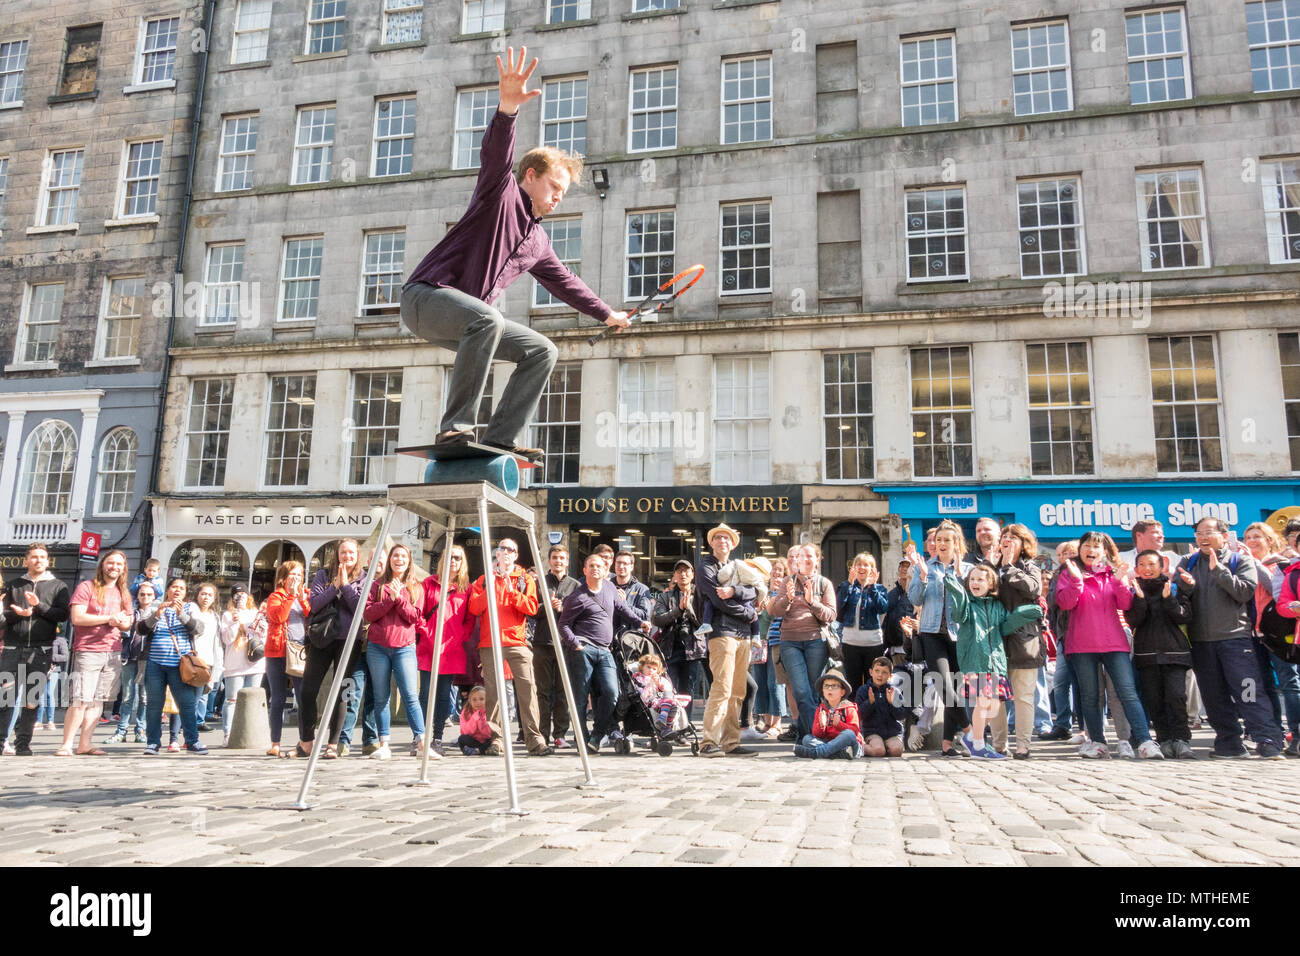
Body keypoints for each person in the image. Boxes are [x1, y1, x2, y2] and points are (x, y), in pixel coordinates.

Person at [399, 45, 629, 464]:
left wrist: (607, 314)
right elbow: (496, 153)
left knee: (542, 349)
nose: (560, 198)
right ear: (530, 176)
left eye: (564, 192)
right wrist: (507, 108)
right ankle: (456, 427)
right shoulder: (499, 194)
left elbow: (566, 283)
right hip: (424, 299)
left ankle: (500, 437)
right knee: (488, 317)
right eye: (555, 187)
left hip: (467, 323)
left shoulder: (537, 241)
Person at [1178, 516, 1284, 759]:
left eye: (1208, 532)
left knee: (1249, 692)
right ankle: (1229, 742)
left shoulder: (1241, 560)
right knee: (1214, 697)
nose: (1203, 537)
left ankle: (1267, 739)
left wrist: (1220, 571)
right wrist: (1185, 587)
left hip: (1235, 640)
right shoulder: (1188, 562)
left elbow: (1244, 592)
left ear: (1224, 536)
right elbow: (1179, 600)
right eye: (1199, 533)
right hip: (1202, 642)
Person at [1055, 532, 1163, 759]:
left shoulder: (1113, 573)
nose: (1091, 550)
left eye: (1096, 546)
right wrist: (1076, 581)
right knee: (1090, 696)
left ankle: (1144, 740)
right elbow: (1065, 603)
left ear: (1104, 551)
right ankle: (1097, 741)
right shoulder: (1069, 573)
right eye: (1086, 545)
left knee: (1128, 692)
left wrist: (1119, 582)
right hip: (1082, 644)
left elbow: (1125, 604)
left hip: (1114, 643)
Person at [944, 563, 1043, 760]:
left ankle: (972, 737)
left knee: (995, 705)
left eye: (980, 579)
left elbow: (1005, 628)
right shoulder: (968, 605)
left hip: (996, 662)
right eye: (972, 579)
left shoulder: (998, 606)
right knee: (983, 702)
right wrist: (957, 593)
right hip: (974, 662)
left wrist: (1020, 617)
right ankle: (978, 745)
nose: (975, 582)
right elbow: (959, 614)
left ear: (991, 584)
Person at [468, 537, 552, 756]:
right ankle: (497, 740)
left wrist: (511, 590)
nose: (504, 552)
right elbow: (474, 608)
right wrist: (493, 586)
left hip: (517, 642)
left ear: (515, 555)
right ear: (496, 554)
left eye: (509, 549)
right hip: (490, 642)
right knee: (494, 695)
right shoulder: (484, 578)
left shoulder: (524, 579)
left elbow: (532, 608)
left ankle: (534, 740)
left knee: (528, 692)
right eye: (501, 548)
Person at [559, 551, 648, 753]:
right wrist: (576, 644)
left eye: (599, 566)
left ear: (605, 569)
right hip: (584, 650)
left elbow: (623, 609)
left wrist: (639, 622)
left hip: (605, 650)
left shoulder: (609, 587)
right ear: (585, 570)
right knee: (580, 698)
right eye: (591, 566)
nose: (595, 569)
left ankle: (598, 735)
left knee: (612, 692)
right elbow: (563, 625)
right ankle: (582, 739)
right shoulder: (577, 595)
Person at [905, 521, 973, 756]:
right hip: (932, 633)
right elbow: (914, 599)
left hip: (959, 634)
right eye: (938, 540)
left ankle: (947, 744)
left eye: (947, 540)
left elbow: (973, 601)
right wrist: (922, 577)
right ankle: (971, 731)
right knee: (944, 686)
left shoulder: (967, 569)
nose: (941, 544)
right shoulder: (924, 567)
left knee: (955, 687)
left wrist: (959, 577)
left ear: (957, 544)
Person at [697, 523, 764, 756]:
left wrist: (735, 591)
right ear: (712, 542)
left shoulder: (740, 567)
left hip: (743, 634)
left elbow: (755, 591)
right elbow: (716, 599)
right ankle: (708, 742)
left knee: (737, 691)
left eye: (727, 538)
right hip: (722, 632)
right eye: (718, 538)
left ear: (733, 544)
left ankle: (731, 742)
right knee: (722, 688)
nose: (722, 541)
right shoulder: (706, 565)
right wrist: (748, 612)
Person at [58, 550, 132, 757]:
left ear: (123, 568)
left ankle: (85, 744)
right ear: (102, 565)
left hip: (113, 652)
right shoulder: (86, 587)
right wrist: (109, 618)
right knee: (81, 699)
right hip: (88, 651)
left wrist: (121, 622)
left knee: (98, 701)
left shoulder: (124, 593)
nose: (114, 567)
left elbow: (127, 623)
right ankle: (66, 744)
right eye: (111, 563)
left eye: (119, 564)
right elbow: (77, 618)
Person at [301, 539, 366, 759]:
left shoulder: (364, 578)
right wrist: (335, 586)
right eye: (343, 552)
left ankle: (332, 743)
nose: (347, 556)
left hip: (349, 640)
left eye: (351, 553)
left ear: (357, 555)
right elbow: (315, 603)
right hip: (322, 637)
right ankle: (306, 741)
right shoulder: (323, 574)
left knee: (342, 692)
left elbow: (360, 608)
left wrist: (346, 585)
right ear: (337, 555)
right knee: (308, 690)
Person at [1127, 549, 1195, 758]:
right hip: (1146, 655)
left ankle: (1182, 739)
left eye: (1152, 564)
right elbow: (1134, 621)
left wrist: (1168, 599)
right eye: (1142, 565)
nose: (1147, 569)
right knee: (1154, 699)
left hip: (1174, 653)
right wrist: (1139, 599)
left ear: (1161, 566)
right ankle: (1164, 739)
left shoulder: (1174, 588)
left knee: (1176, 697)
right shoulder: (1134, 590)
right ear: (1136, 568)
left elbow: (1184, 617)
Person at [363, 543, 427, 760]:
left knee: (410, 695)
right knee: (381, 697)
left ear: (409, 561)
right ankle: (384, 744)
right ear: (389, 560)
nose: (399, 559)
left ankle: (421, 742)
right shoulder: (377, 585)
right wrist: (390, 600)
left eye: (403, 556)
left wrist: (398, 598)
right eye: (395, 556)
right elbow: (369, 614)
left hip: (404, 648)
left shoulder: (416, 587)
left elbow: (414, 617)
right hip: (378, 647)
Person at [991, 524, 1047, 759]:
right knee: (995, 695)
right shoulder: (991, 566)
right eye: (1005, 537)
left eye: (1015, 538)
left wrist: (1009, 567)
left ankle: (1023, 744)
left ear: (1024, 544)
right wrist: (992, 565)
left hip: (1024, 640)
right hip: (994, 639)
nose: (1009, 541)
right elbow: (976, 589)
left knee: (1024, 695)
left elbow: (1033, 589)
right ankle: (998, 743)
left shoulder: (1030, 567)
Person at [1242, 521, 1297, 755]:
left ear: (1269, 540)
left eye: (1257, 537)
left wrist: (1256, 563)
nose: (1252, 541)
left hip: (1278, 632)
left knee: (1289, 681)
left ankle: (1296, 733)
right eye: (1248, 537)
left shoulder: (1280, 563)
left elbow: (1274, 589)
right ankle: (1272, 733)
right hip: (1252, 632)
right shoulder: (1241, 563)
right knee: (1263, 685)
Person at [416, 545, 475, 756]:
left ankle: (437, 738)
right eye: (449, 556)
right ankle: (420, 738)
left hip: (451, 648)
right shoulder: (428, 583)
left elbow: (469, 619)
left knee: (443, 696)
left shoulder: (466, 589)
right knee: (424, 694)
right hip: (428, 647)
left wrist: (461, 636)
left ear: (462, 562)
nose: (453, 561)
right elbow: (419, 613)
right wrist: (426, 632)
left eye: (457, 558)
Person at [141, 578, 206, 755]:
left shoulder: (190, 608)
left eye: (182, 588)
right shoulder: (156, 607)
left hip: (180, 665)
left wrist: (181, 615)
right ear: (167, 590)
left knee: (186, 703)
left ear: (185, 593)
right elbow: (141, 630)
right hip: (155, 663)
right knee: (154, 704)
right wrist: (156, 616)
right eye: (174, 587)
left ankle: (192, 741)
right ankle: (153, 743)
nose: (177, 590)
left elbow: (199, 629)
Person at [533, 544, 578, 749]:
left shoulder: (576, 586)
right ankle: (542, 734)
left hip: (564, 644)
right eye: (554, 558)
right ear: (549, 561)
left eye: (562, 558)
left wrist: (565, 608)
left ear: (567, 561)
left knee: (563, 691)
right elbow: (530, 610)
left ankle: (560, 734)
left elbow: (580, 614)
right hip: (542, 642)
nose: (558, 561)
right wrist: (547, 607)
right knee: (542, 692)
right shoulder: (539, 582)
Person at [264, 561, 310, 757]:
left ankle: (304, 740)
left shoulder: (305, 595)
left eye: (300, 575)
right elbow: (279, 617)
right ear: (283, 578)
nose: (297, 579)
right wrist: (290, 595)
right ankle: (275, 742)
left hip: (299, 651)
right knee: (278, 698)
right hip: (278, 650)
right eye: (293, 575)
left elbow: (311, 615)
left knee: (302, 698)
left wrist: (301, 597)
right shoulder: (276, 596)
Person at [652, 559, 707, 713]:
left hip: (693, 650)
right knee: (669, 689)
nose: (683, 574)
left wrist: (688, 608)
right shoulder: (665, 596)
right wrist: (678, 609)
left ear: (692, 574)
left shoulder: (701, 595)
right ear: (675, 575)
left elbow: (705, 622)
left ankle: (684, 726)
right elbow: (657, 619)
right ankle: (670, 725)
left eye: (686, 571)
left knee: (687, 691)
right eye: (679, 571)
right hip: (670, 649)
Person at [1042, 540, 1082, 743]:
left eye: (1068, 551)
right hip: (1063, 635)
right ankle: (1063, 724)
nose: (1065, 556)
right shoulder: (1058, 575)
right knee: (1061, 682)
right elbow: (1052, 602)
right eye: (1060, 554)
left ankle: (1088, 728)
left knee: (1086, 684)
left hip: (1084, 635)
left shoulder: (1085, 571)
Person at [106, 580, 156, 745]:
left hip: (147, 659)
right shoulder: (131, 612)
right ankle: (121, 730)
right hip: (129, 657)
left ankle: (140, 729)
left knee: (144, 698)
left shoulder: (156, 613)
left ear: (154, 596)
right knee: (127, 697)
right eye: (142, 594)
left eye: (149, 594)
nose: (145, 597)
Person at [835, 552, 889, 693]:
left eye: (866, 565)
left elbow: (882, 608)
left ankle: (873, 713)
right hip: (850, 644)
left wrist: (873, 588)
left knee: (874, 685)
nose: (862, 567)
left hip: (873, 644)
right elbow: (838, 606)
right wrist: (848, 584)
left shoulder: (880, 589)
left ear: (872, 569)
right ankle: (855, 714)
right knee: (853, 685)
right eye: (858, 564)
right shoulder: (846, 587)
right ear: (853, 568)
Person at [218, 585, 265, 747]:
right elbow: (227, 639)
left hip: (255, 662)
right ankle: (228, 733)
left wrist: (261, 626)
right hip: (234, 663)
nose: (241, 597)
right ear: (232, 598)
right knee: (232, 700)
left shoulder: (256, 613)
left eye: (243, 594)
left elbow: (262, 636)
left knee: (252, 699)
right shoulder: (227, 615)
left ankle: (250, 733)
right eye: (237, 595)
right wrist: (234, 622)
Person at [751, 558, 790, 739]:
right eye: (773, 571)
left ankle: (777, 723)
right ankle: (766, 721)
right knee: (761, 683)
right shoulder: (762, 593)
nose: (776, 574)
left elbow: (774, 616)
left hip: (777, 641)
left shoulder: (785, 595)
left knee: (775, 684)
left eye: (780, 571)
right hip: (761, 642)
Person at [793, 669, 863, 759]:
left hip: (849, 744)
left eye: (834, 686)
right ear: (823, 691)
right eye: (826, 686)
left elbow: (855, 731)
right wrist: (822, 726)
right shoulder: (821, 709)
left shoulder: (849, 707)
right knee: (807, 739)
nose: (829, 688)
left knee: (848, 734)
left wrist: (839, 725)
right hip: (830, 743)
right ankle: (839, 754)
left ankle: (816, 753)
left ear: (842, 692)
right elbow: (816, 734)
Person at [854, 656, 907, 757]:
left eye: (884, 672)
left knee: (896, 751)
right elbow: (859, 714)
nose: (880, 675)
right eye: (877, 671)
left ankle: (887, 747)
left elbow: (901, 715)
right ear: (871, 672)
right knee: (878, 751)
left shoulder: (894, 691)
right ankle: (856, 747)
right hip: (872, 731)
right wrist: (870, 703)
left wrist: (892, 703)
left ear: (890, 676)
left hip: (892, 732)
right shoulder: (864, 690)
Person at [188, 583, 222, 733]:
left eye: (209, 595)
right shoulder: (191, 610)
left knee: (204, 693)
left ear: (214, 598)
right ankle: (189, 721)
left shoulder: (214, 616)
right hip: (195, 658)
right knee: (194, 693)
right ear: (197, 595)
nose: (206, 597)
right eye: (203, 594)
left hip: (210, 658)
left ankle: (199, 720)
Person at [631, 653, 687, 736]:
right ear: (642, 667)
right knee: (670, 701)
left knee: (674, 703)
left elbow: (661, 694)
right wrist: (650, 684)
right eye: (648, 667)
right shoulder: (638, 679)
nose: (651, 670)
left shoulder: (660, 679)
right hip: (649, 703)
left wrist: (659, 685)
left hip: (662, 702)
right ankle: (665, 724)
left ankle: (665, 724)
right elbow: (643, 696)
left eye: (654, 669)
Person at [611, 551, 654, 621]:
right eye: (618, 563)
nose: (621, 566)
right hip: (610, 631)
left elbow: (645, 616)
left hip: (631, 631)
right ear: (615, 564)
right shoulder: (607, 586)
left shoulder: (642, 589)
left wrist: (624, 604)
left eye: (625, 563)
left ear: (631, 567)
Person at [457, 686, 492, 755]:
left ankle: (478, 751)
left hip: (486, 740)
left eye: (481, 699)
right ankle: (481, 750)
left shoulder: (490, 711)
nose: (478, 702)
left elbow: (488, 735)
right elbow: (466, 732)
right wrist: (474, 718)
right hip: (473, 740)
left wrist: (481, 720)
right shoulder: (465, 712)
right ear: (470, 701)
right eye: (474, 700)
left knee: (493, 741)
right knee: (461, 739)